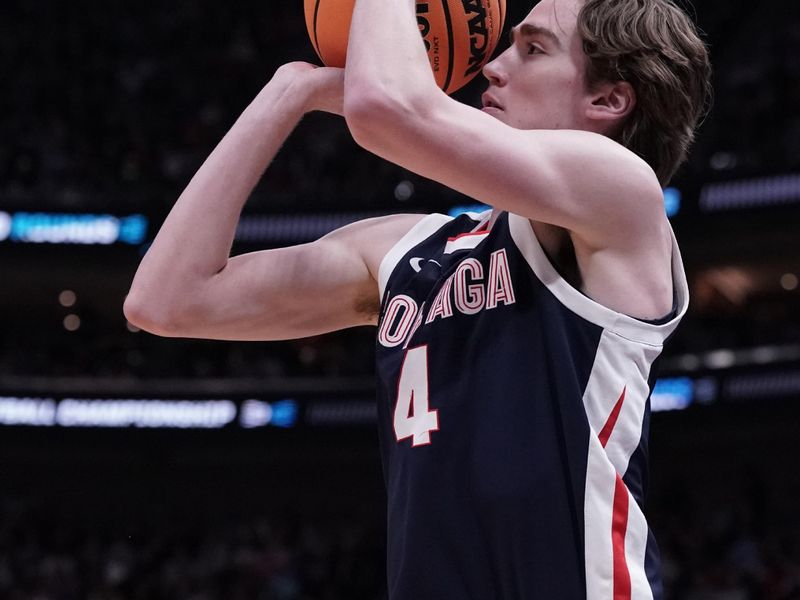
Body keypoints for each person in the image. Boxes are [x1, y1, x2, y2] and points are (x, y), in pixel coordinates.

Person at [125, 0, 711, 597]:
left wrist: (372, 78)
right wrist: (287, 94)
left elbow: (387, 107)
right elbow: (167, 300)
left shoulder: (624, 194)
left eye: (533, 49)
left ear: (608, 100)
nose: (493, 66)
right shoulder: (411, 250)